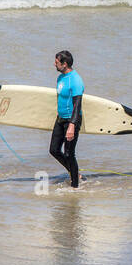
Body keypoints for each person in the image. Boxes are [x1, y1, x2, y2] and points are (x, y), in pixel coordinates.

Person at [50, 50, 84, 188]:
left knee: (70, 154)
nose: (54, 64)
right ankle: (75, 173)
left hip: (72, 120)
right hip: (60, 119)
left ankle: (75, 186)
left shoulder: (75, 80)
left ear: (65, 64)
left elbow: (77, 105)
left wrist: (72, 126)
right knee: (54, 150)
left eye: (57, 62)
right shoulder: (60, 78)